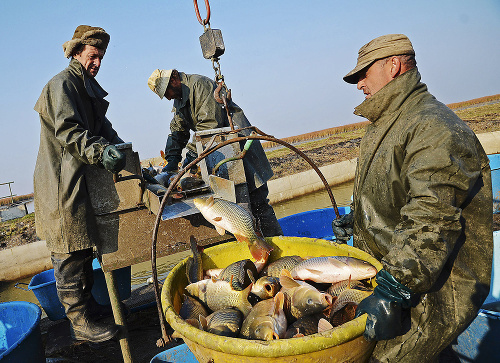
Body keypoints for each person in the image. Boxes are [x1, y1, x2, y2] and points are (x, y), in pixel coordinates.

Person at [334, 34, 493, 362]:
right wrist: (360, 221)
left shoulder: (432, 127)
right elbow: (396, 193)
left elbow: (431, 217)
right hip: (401, 277)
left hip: (427, 294)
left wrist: (392, 293)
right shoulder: (392, 121)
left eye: (364, 73)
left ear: (393, 66)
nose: (359, 83)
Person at [34, 25, 126, 343]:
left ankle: (89, 308)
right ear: (76, 53)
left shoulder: (86, 88)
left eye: (100, 57)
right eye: (92, 55)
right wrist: (104, 152)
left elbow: (105, 130)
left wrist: (125, 154)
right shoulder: (61, 86)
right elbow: (72, 134)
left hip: (78, 180)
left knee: (84, 247)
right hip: (60, 183)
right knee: (68, 251)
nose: (97, 62)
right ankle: (78, 322)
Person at [147, 69, 283, 237]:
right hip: (223, 157)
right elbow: (178, 130)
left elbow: (210, 127)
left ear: (174, 78)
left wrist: (189, 160)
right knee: (240, 213)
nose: (167, 97)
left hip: (240, 148)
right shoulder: (180, 98)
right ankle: (258, 248)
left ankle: (278, 246)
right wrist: (172, 160)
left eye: (166, 92)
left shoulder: (200, 86)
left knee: (259, 205)